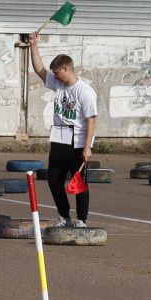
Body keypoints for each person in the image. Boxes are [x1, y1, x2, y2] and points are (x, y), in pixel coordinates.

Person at [28, 34, 98, 227]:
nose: (55, 76)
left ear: (66, 69)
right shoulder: (58, 84)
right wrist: (34, 46)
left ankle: (81, 220)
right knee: (53, 180)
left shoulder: (85, 92)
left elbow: (91, 119)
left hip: (78, 142)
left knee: (79, 182)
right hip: (59, 140)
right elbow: (39, 69)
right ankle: (64, 216)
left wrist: (87, 147)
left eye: (57, 72)